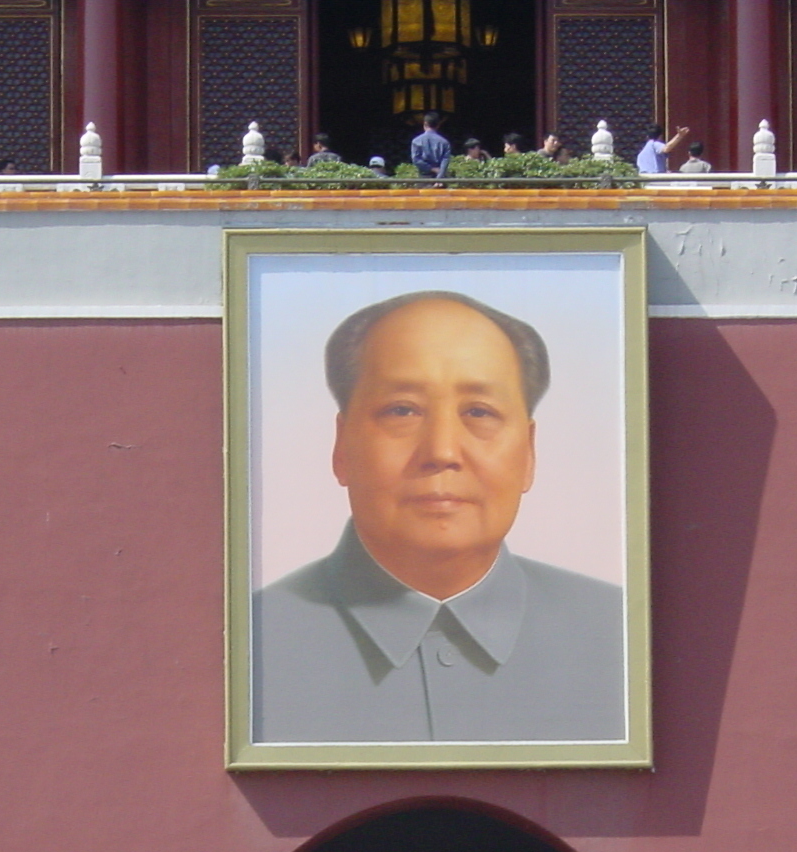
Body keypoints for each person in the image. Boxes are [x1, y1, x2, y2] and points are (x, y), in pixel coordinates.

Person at [253, 291, 625, 745]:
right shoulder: (250, 646)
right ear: (341, 445)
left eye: (478, 412)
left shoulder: (621, 638)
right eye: (402, 410)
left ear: (528, 453)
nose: (442, 451)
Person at [410, 111, 451, 178]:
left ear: (425, 124)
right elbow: (445, 160)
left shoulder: (416, 141)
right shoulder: (445, 142)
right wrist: (439, 177)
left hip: (424, 177)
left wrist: (432, 169)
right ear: (438, 125)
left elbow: (416, 160)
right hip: (441, 178)